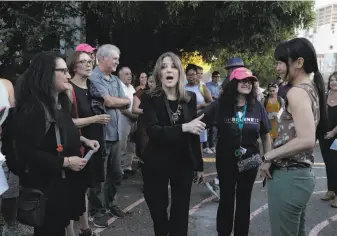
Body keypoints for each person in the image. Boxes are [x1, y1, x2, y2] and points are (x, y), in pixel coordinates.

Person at [13, 52, 99, 236]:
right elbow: (27, 152)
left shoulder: (57, 102)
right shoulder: (35, 109)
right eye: (63, 71)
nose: (68, 76)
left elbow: (61, 132)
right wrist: (66, 162)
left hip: (60, 188)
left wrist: (84, 140)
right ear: (47, 73)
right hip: (46, 190)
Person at [260, 38, 328, 236]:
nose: (278, 68)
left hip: (289, 177)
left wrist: (268, 156)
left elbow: (306, 139)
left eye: (282, 62)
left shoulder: (297, 93)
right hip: (299, 176)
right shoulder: (311, 89)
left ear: (299, 62)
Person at [201, 67, 272, 236]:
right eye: (242, 80)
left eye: (249, 81)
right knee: (226, 199)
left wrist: (267, 160)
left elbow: (265, 135)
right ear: (233, 83)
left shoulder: (257, 107)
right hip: (226, 160)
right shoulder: (220, 106)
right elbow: (199, 122)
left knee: (243, 201)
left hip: (251, 160)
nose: (246, 84)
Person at [142, 52, 204, 236]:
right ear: (158, 74)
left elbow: (195, 133)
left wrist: (198, 165)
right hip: (156, 162)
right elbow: (153, 130)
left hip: (182, 161)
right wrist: (184, 127)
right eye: (163, 67)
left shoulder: (190, 98)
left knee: (181, 210)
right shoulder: (150, 98)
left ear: (179, 72)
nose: (168, 70)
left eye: (173, 66)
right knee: (158, 210)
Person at [67, 51, 110, 230]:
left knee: (85, 188)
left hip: (94, 144)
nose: (88, 64)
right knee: (73, 190)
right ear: (74, 66)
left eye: (89, 61)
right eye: (82, 61)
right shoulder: (69, 88)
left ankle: (85, 228)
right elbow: (66, 122)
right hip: (76, 145)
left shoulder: (92, 86)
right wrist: (95, 119)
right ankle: (71, 230)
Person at [90, 44, 131, 218]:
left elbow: (127, 101)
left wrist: (116, 101)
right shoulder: (94, 77)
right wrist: (117, 101)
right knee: (99, 176)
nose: (117, 62)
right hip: (100, 136)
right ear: (102, 58)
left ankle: (109, 203)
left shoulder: (114, 80)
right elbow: (108, 102)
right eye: (114, 58)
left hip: (115, 135)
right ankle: (97, 209)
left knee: (116, 174)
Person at [319, 71, 337, 207]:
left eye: (336, 80)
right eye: (331, 80)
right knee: (328, 163)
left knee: (335, 164)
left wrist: (333, 132)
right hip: (324, 136)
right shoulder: (324, 97)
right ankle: (331, 190)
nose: (333, 82)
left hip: (336, 136)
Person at [117, 66, 138, 174]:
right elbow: (120, 107)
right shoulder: (118, 87)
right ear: (120, 75)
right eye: (126, 74)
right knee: (122, 143)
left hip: (134, 119)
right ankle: (120, 168)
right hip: (124, 119)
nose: (129, 76)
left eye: (130, 74)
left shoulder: (132, 88)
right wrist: (132, 115)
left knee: (132, 143)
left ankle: (128, 166)